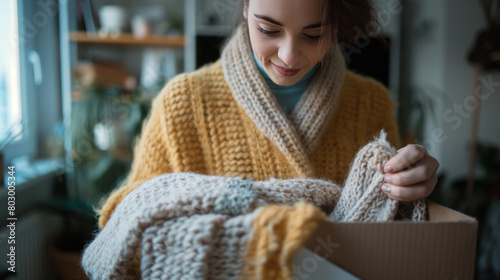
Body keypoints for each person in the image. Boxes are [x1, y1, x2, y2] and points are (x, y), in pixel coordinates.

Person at [97, 0, 439, 229]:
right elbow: (126, 222)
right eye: (269, 30)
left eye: (314, 34)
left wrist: (412, 187)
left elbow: (390, 223)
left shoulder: (370, 102)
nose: (289, 56)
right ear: (246, 7)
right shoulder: (181, 104)